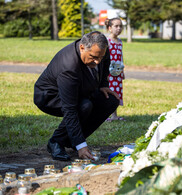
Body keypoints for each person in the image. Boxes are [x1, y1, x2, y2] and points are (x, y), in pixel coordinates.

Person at [34, 31, 120, 161]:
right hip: (50, 96)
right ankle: (56, 142)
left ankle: (73, 140)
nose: (97, 62)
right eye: (93, 57)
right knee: (84, 106)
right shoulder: (68, 66)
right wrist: (81, 145)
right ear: (82, 48)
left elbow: (106, 61)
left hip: (80, 89)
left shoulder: (101, 50)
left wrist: (103, 84)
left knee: (110, 101)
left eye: (100, 57)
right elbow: (70, 109)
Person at [105, 17, 125, 121]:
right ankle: (104, 115)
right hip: (109, 73)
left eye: (120, 26)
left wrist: (123, 71)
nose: (119, 28)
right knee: (109, 93)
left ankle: (114, 115)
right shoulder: (107, 41)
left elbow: (121, 56)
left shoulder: (120, 42)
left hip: (117, 72)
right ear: (109, 28)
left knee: (117, 92)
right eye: (116, 26)